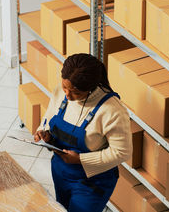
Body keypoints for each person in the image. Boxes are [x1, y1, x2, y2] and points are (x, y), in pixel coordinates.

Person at [34, 53, 132, 212]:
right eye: (65, 87)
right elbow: (49, 115)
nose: (67, 95)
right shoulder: (61, 91)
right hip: (60, 171)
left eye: (76, 93)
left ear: (91, 87)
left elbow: (122, 152)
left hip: (91, 183)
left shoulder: (113, 111)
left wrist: (81, 159)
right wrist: (44, 132)